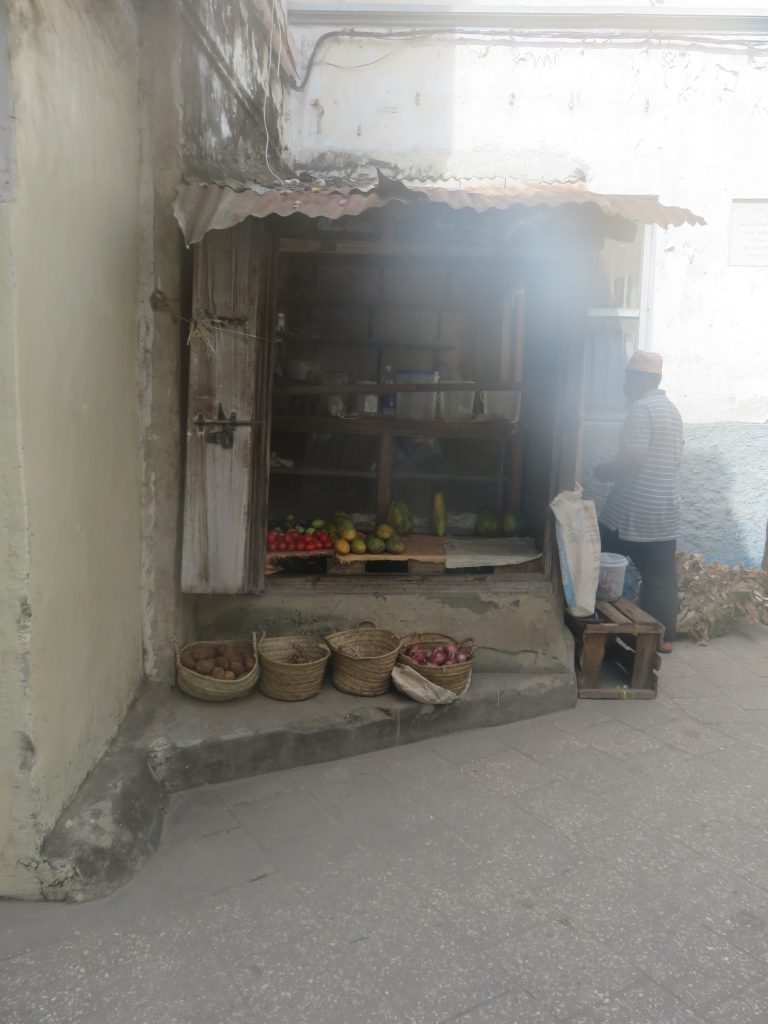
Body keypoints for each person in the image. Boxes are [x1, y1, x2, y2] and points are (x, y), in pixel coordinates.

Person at [594, 351, 683, 652]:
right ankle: (665, 638)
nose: (624, 386)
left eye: (628, 379)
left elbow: (635, 458)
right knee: (661, 575)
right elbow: (676, 458)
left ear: (642, 380)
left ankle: (595, 619)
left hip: (633, 509)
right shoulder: (672, 410)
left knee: (600, 558)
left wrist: (605, 471)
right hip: (665, 508)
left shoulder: (641, 409)